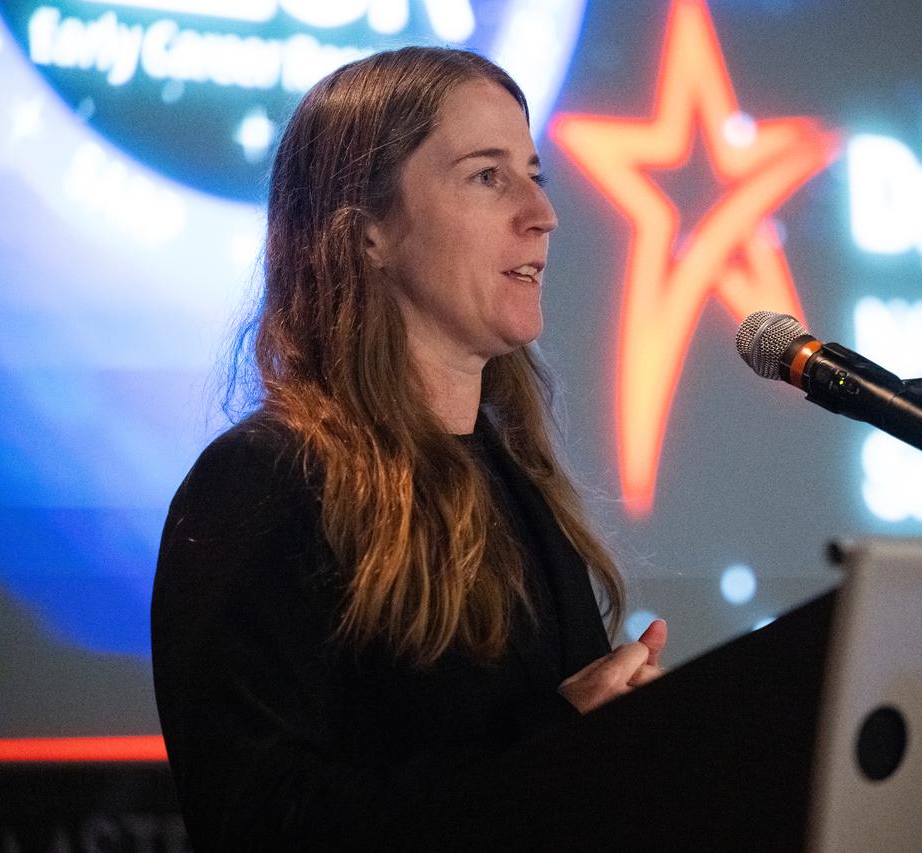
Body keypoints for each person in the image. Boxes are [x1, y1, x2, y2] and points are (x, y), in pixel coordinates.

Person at [151, 46, 667, 851]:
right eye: (488, 176)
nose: (543, 212)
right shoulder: (263, 483)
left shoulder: (516, 482)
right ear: (366, 236)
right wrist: (554, 742)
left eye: (535, 173)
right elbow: (258, 822)